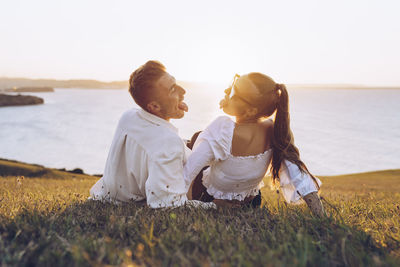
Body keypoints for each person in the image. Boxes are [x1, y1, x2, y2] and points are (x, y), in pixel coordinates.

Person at [184, 73, 325, 216]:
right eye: (233, 83)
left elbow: (187, 173)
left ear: (251, 110)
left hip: (208, 198)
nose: (227, 91)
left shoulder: (222, 128)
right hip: (251, 202)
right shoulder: (274, 131)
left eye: (234, 91)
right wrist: (321, 215)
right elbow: (298, 174)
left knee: (196, 137)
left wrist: (178, 201)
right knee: (200, 140)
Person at [90, 60, 214, 209]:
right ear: (154, 106)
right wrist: (214, 206)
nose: (183, 91)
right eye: (173, 89)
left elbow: (154, 141)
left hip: (113, 193)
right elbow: (168, 205)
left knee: (198, 137)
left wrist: (171, 107)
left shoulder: (129, 116)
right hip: (192, 187)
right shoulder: (168, 143)